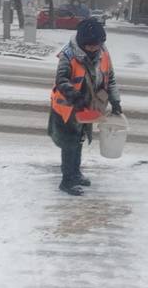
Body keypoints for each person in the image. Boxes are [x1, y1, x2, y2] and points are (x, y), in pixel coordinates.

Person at [48, 18, 122, 196]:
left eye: (97, 45)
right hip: (68, 107)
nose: (94, 49)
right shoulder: (68, 55)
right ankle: (67, 181)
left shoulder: (103, 52)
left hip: (87, 106)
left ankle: (75, 174)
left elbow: (110, 78)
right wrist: (76, 97)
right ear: (82, 42)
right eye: (90, 46)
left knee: (79, 140)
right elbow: (61, 80)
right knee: (69, 143)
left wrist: (115, 101)